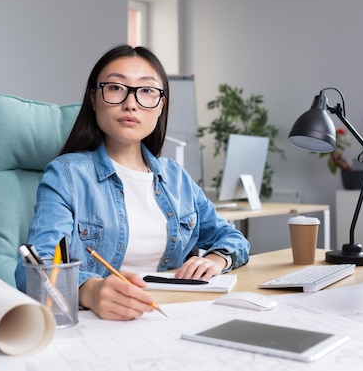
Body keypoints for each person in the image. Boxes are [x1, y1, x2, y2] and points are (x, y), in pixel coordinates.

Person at [15, 44, 249, 320]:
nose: (131, 103)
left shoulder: (176, 178)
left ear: (161, 104)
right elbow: (33, 270)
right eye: (115, 87)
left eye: (147, 90)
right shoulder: (67, 175)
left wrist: (216, 259)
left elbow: (233, 238)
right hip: (101, 324)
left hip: (173, 315)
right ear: (94, 98)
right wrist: (90, 291)